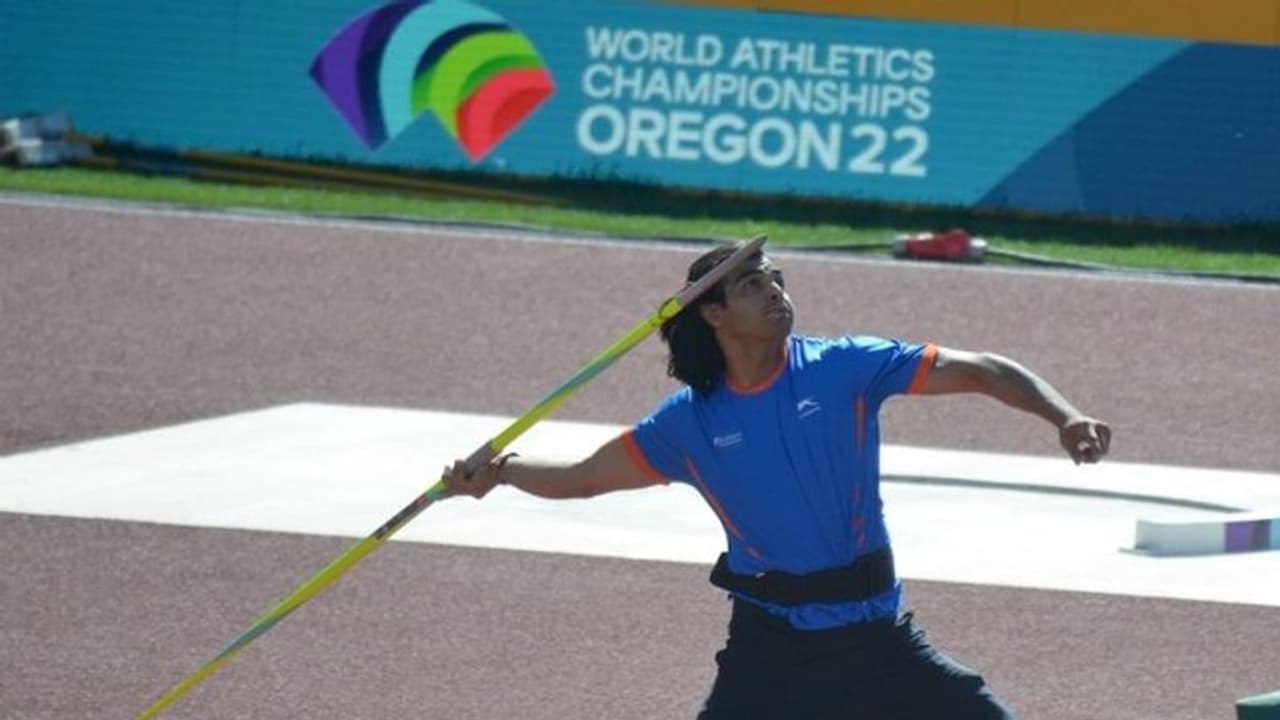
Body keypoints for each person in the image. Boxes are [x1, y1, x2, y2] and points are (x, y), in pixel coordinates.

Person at [443, 240, 1111, 719]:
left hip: (879, 642)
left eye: (778, 279)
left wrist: (1065, 415)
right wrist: (500, 474)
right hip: (772, 651)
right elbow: (584, 477)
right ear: (713, 314)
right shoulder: (688, 426)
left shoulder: (844, 367)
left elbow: (982, 369)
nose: (776, 293)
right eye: (754, 285)